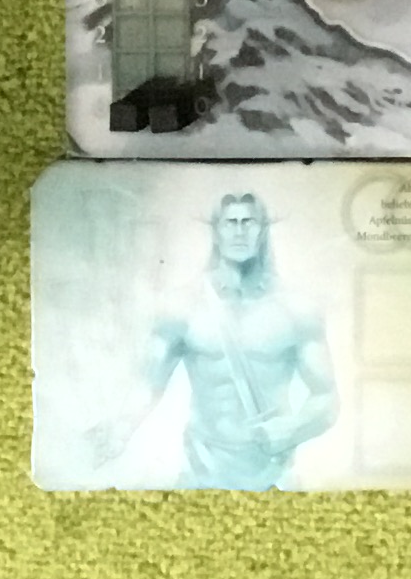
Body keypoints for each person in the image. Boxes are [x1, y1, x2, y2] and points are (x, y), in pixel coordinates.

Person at [99, 191, 337, 488]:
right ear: (216, 231)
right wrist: (120, 430)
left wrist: (292, 430)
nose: (239, 231)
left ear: (263, 231)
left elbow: (327, 399)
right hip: (201, 470)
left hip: (274, 475)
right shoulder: (182, 306)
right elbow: (148, 383)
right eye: (230, 223)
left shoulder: (296, 309)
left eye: (248, 222)